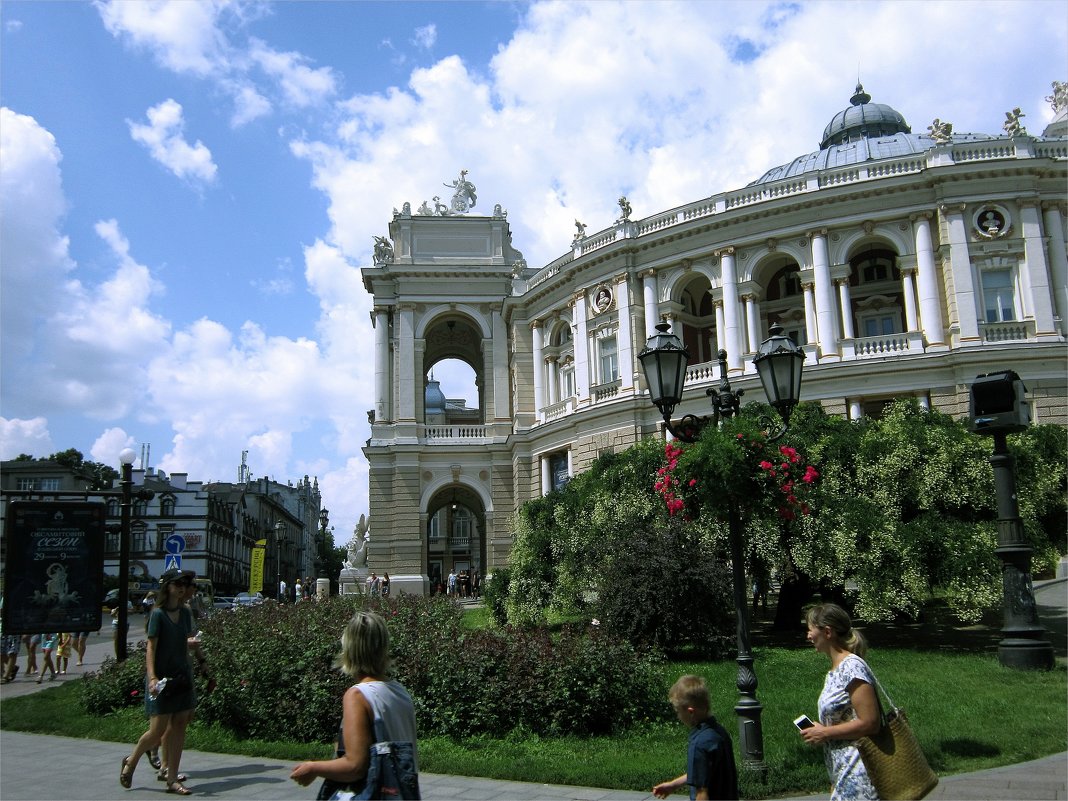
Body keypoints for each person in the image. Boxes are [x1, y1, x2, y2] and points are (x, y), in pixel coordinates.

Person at [289, 610, 419, 797]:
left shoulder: (357, 696)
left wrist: (313, 768)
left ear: (350, 649)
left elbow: (355, 766)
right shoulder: (400, 692)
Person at [119, 568, 198, 796]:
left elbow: (185, 641)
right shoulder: (158, 614)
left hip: (181, 676)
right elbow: (151, 647)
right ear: (168, 587)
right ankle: (131, 762)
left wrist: (195, 658)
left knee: (180, 725)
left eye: (184, 583)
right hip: (162, 679)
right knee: (157, 731)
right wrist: (152, 676)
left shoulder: (185, 612)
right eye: (177, 583)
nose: (182, 587)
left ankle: (172, 778)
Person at [799, 603, 882, 801]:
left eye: (811, 630)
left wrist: (824, 733)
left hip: (861, 776)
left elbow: (871, 723)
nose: (808, 636)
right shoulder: (834, 671)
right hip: (843, 775)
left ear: (828, 632)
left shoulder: (852, 668)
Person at [653, 674, 739, 800]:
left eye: (678, 711)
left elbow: (702, 793)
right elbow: (703, 772)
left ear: (690, 712)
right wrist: (673, 785)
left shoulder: (699, 744)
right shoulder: (719, 733)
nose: (678, 716)